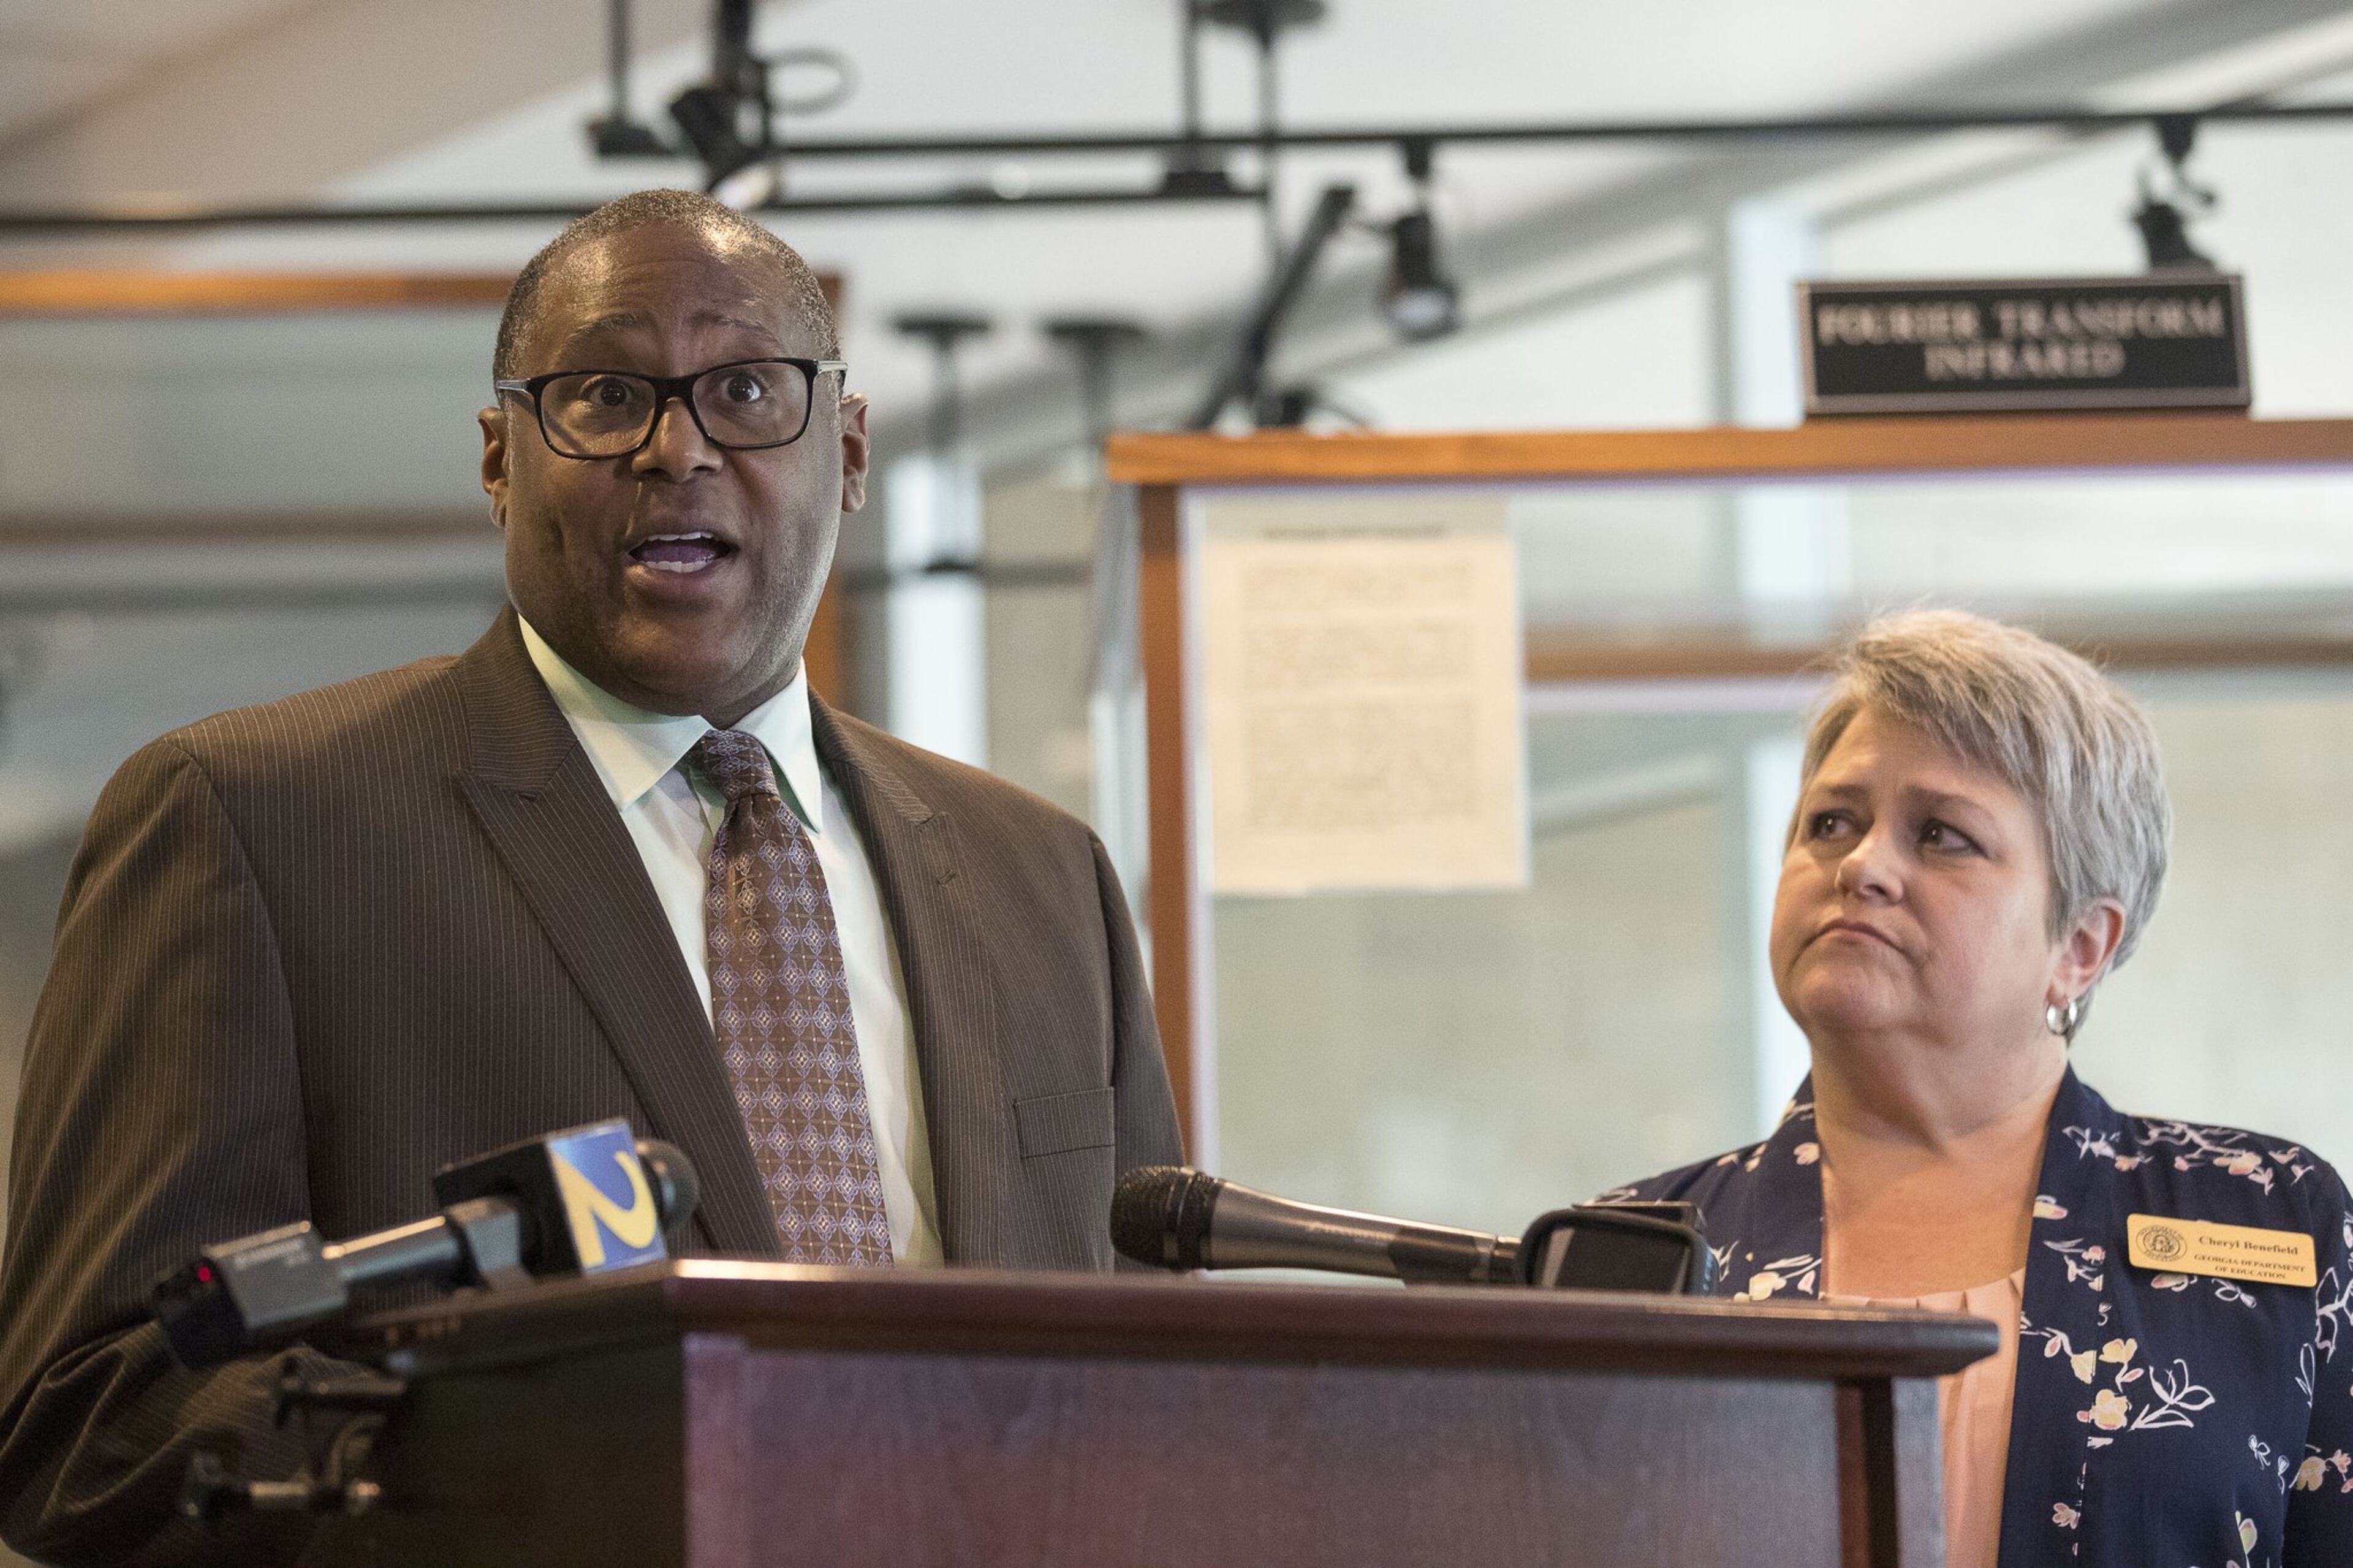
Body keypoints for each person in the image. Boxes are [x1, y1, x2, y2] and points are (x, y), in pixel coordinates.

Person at [0, 187, 1183, 1566]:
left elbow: (1162, 1362)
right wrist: (567, 1477)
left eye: (747, 388)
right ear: (500, 460)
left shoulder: (1043, 875)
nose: (677, 448)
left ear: (848, 450)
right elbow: (88, 1414)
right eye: (607, 395)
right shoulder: (257, 820)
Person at [1604, 608, 2353, 1568]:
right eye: (1830, 822)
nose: (1864, 865)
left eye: (1943, 836)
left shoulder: (2277, 1221)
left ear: (2079, 947)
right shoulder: (1632, 1257)